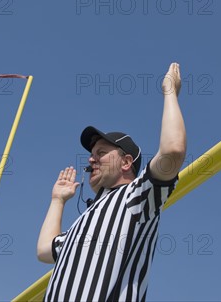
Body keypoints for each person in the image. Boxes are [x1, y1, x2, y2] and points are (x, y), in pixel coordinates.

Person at [37, 62, 186, 302]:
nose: (91, 158)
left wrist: (170, 93)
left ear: (126, 162)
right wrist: (57, 201)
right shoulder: (82, 223)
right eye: (92, 153)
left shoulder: (135, 198)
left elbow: (172, 152)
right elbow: (45, 250)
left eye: (101, 152)